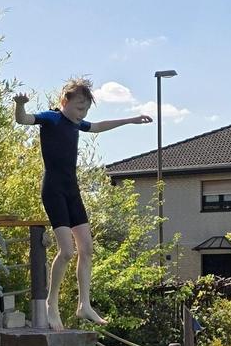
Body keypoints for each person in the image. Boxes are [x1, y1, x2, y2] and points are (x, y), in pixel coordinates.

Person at [12, 78, 151, 327]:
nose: (82, 114)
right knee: (67, 251)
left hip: (72, 190)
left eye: (85, 109)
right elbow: (23, 120)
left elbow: (97, 126)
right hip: (53, 190)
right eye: (78, 108)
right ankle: (51, 303)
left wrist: (130, 120)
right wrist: (20, 105)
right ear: (64, 102)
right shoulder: (51, 118)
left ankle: (84, 305)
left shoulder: (77, 124)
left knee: (86, 249)